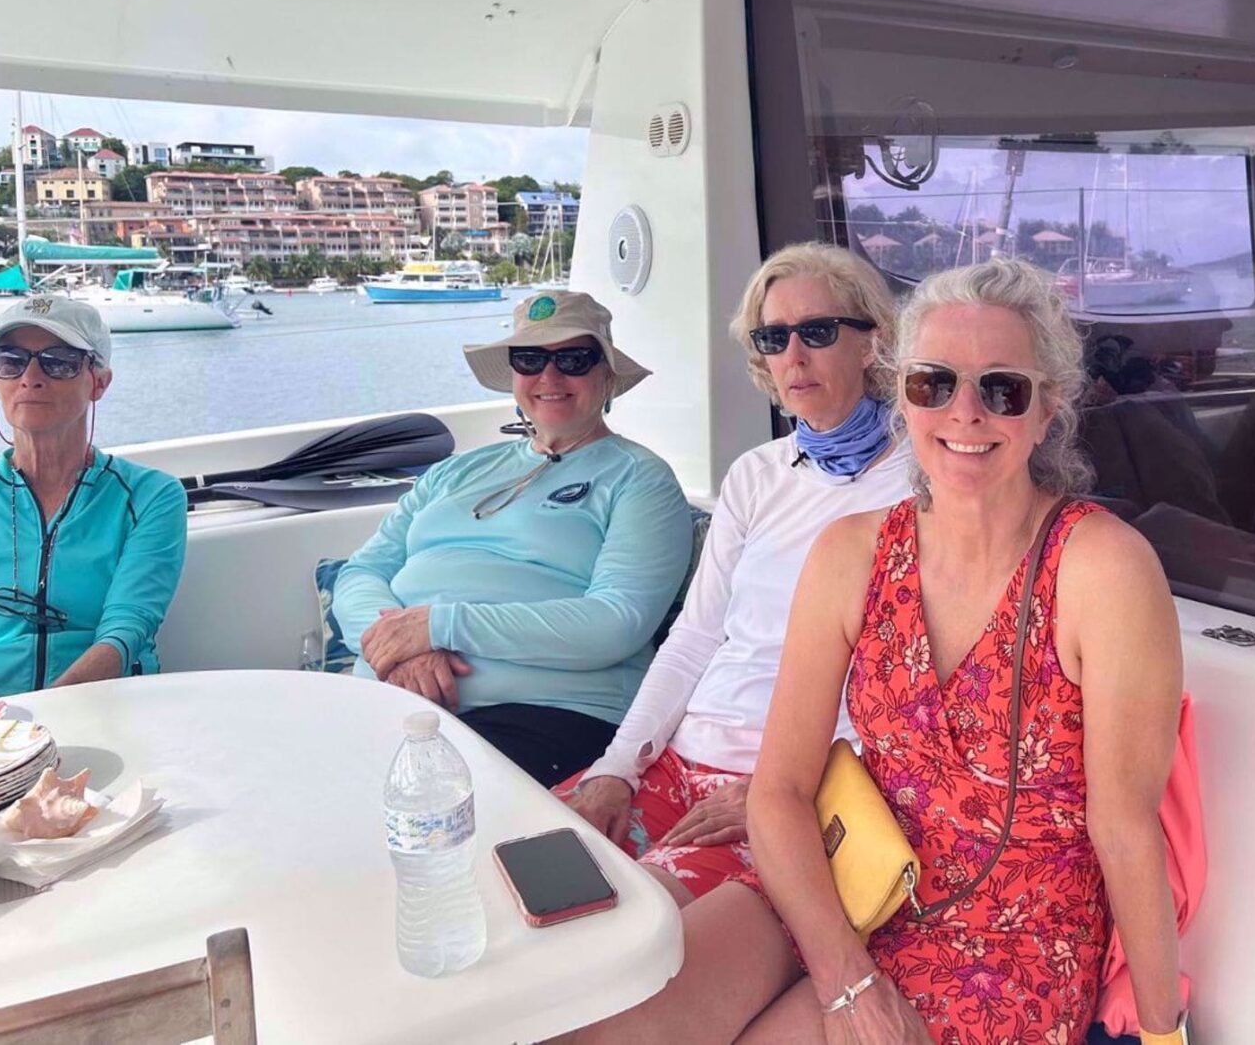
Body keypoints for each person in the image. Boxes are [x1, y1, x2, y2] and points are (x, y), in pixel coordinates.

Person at [579, 258, 1189, 1045]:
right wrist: (846, 977)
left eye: (1000, 389)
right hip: (842, 874)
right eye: (933, 384)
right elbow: (780, 790)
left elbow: (1125, 827)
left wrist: (1162, 1029)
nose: (963, 415)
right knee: (608, 1031)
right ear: (902, 394)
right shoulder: (853, 553)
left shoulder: (1101, 568)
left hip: (1003, 941)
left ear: (1047, 411)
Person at [559, 242, 910, 903]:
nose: (794, 356)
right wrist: (616, 770)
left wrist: (794, 790)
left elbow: (910, 688)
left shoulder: (923, 482)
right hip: (678, 755)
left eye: (818, 332)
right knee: (523, 869)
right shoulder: (756, 475)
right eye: (774, 338)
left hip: (781, 781)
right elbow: (695, 638)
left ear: (872, 343)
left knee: (628, 919)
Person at [333, 289, 692, 787]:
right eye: (530, 359)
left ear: (607, 375)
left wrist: (440, 626)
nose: (550, 376)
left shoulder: (639, 478)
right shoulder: (453, 472)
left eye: (573, 359)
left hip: (547, 712)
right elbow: (361, 573)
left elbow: (616, 622)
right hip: (393, 696)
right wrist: (400, 647)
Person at [0, 296, 186, 696]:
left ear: (99, 382)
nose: (31, 377)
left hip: (110, 705)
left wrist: (47, 720)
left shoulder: (151, 497)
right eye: (10, 359)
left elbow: (126, 629)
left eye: (59, 361)